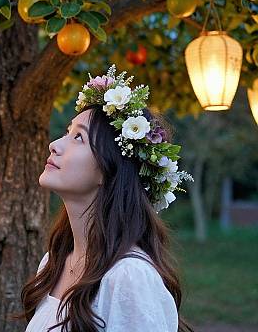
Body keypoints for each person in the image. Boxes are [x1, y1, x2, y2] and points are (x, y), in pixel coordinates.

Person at [15, 65, 195, 332]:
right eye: (67, 132)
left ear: (108, 169)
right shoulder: (53, 263)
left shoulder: (129, 278)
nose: (55, 144)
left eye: (78, 137)